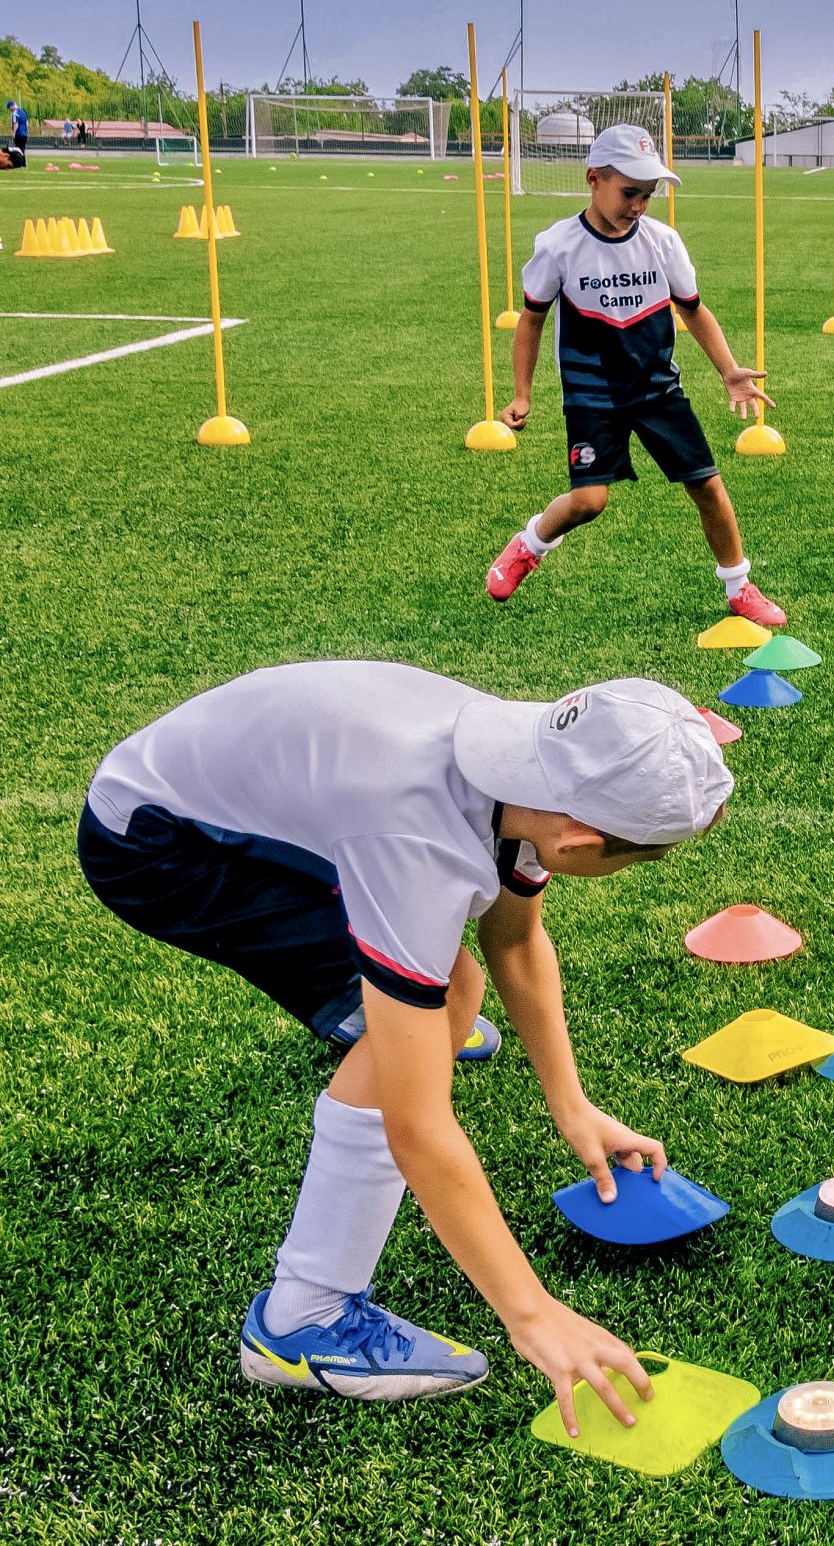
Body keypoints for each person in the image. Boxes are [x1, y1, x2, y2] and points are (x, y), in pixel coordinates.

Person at [78, 664, 732, 1428]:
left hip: (245, 792)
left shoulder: (531, 766)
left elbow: (515, 940)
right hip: (157, 844)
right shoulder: (419, 837)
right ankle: (302, 1319)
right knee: (449, 998)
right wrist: (533, 1315)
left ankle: (389, 1014)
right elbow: (418, 1128)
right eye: (642, 857)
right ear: (581, 841)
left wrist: (572, 1106)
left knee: (439, 997)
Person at [485, 123, 786, 625]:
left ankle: (739, 587)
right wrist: (522, 394)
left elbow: (692, 309)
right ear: (594, 179)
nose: (639, 205)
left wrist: (729, 370)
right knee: (589, 501)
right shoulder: (558, 246)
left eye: (647, 195)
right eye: (629, 193)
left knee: (707, 485)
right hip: (591, 393)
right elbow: (531, 320)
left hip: (657, 388)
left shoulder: (663, 242)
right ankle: (530, 543)